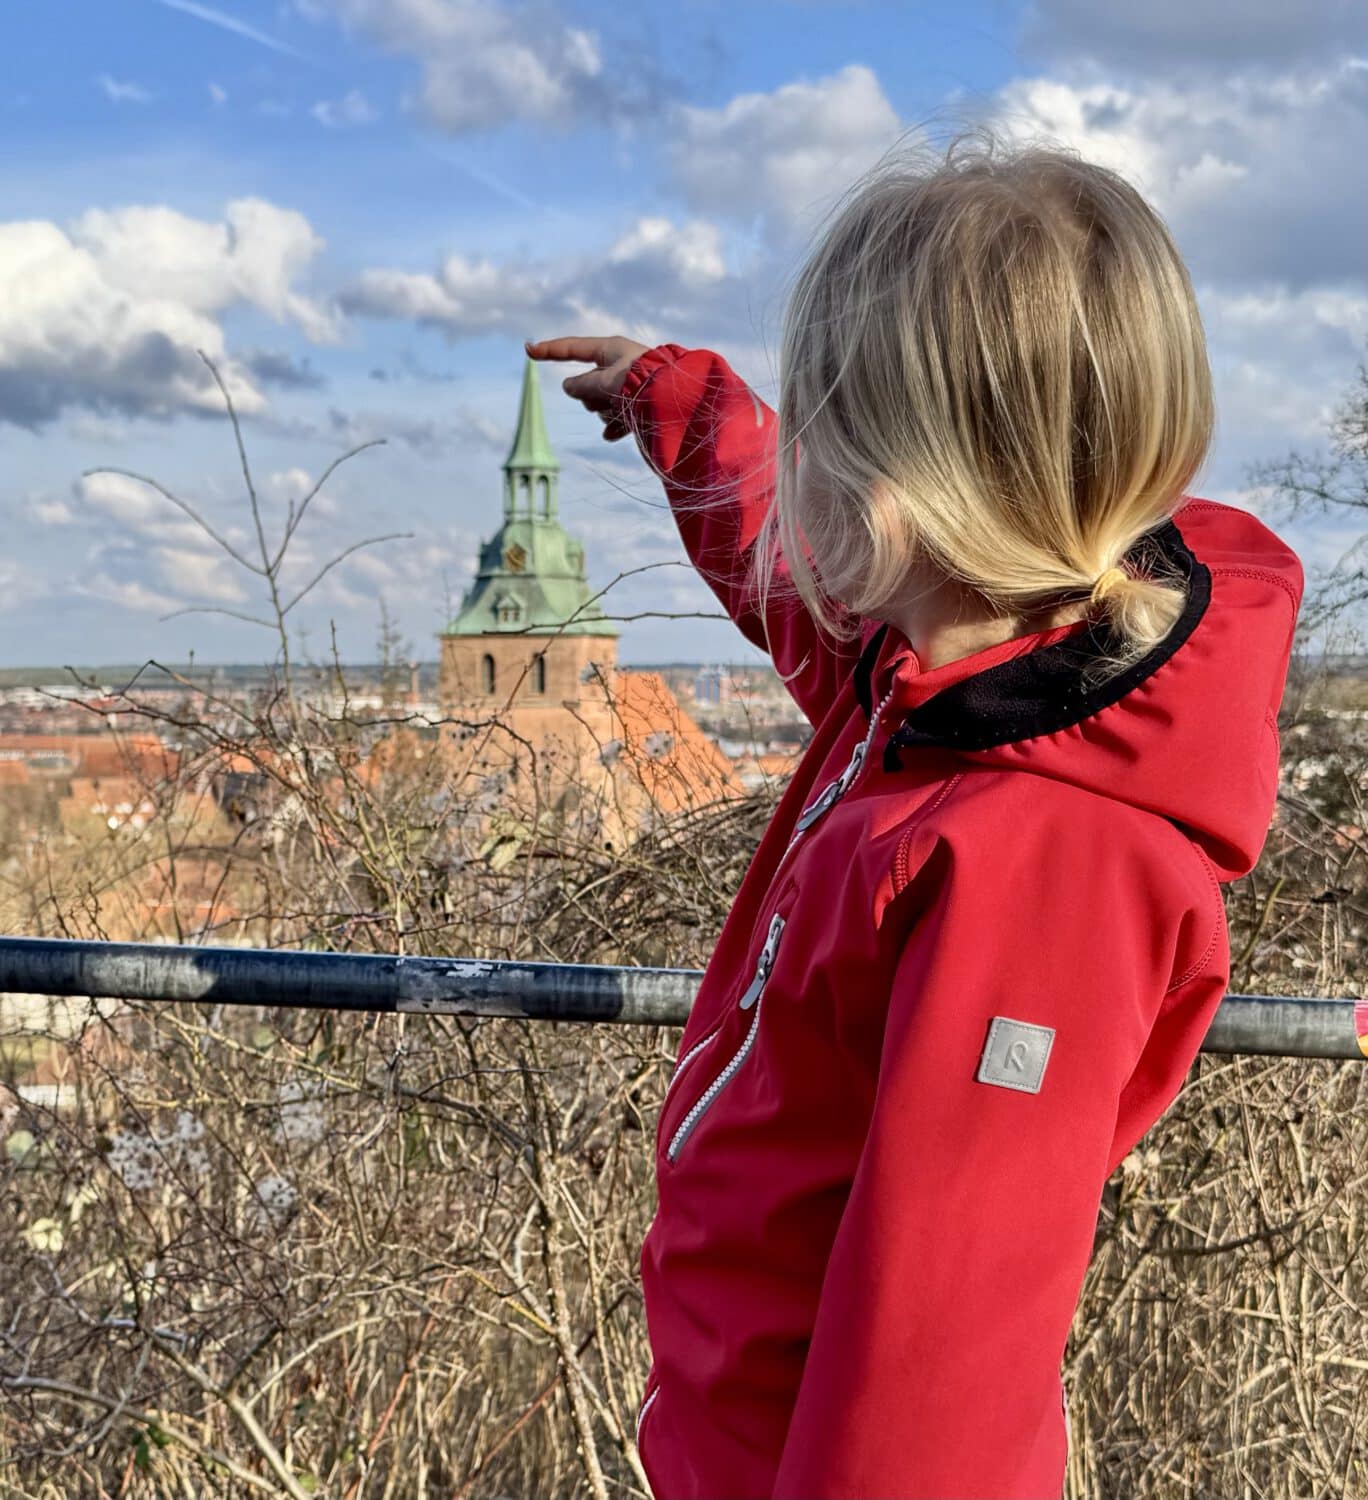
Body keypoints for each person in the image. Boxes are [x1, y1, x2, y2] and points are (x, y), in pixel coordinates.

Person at [526, 127, 1305, 1500]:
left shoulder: (1041, 866)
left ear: (895, 506)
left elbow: (940, 1360)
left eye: (818, 427)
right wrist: (680, 404)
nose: (801, 477)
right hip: (739, 1443)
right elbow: (787, 571)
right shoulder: (946, 680)